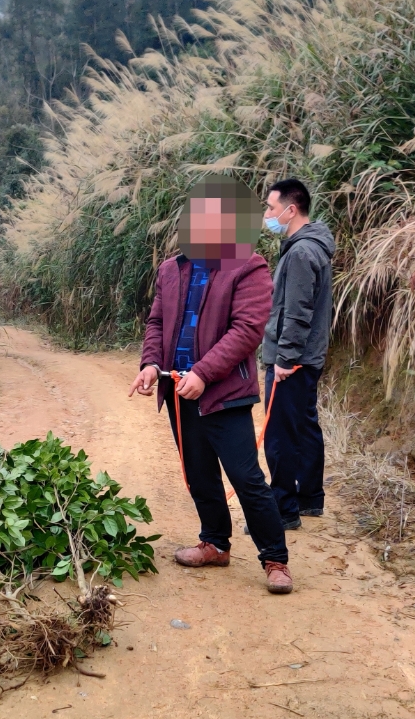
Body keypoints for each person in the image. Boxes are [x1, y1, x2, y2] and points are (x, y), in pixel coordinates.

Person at [128, 175, 293, 595]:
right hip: (179, 390)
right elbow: (158, 322)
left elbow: (247, 329)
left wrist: (203, 373)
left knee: (245, 477)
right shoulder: (171, 268)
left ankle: (275, 559)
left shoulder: (248, 266)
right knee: (199, 474)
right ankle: (215, 544)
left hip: (223, 393)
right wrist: (150, 364)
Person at [259, 178, 335, 531]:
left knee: (279, 435)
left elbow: (298, 311)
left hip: (293, 361)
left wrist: (284, 360)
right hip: (308, 357)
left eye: (271, 208)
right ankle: (310, 498)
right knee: (304, 426)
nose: (268, 215)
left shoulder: (303, 252)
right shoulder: (309, 247)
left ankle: (284, 510)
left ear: (291, 210)